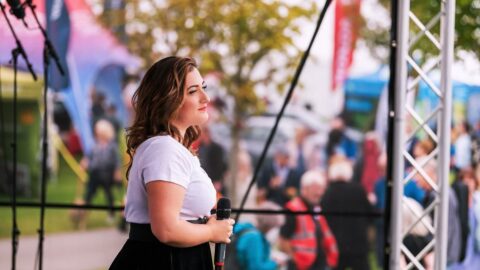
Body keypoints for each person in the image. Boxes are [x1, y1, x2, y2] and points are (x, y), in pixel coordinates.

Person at [110, 56, 234, 270]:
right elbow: (166, 229)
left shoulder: (172, 148)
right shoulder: (164, 149)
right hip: (164, 260)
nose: (206, 98)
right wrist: (212, 232)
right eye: (193, 91)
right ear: (168, 100)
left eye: (203, 88)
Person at [279, 170, 339, 270]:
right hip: (302, 265)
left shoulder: (315, 207)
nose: (319, 193)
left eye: (321, 189)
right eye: (316, 189)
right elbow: (283, 240)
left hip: (319, 264)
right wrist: (294, 260)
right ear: (305, 189)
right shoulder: (293, 209)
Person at [81, 119, 121, 221]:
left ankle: (111, 214)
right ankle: (83, 214)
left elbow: (117, 160)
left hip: (107, 173)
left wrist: (117, 172)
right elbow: (89, 156)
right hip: (94, 173)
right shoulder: (94, 144)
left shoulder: (112, 146)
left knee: (108, 194)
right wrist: (85, 162)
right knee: (89, 193)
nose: (97, 132)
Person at [232, 200, 286, 270]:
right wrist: (275, 263)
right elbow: (256, 267)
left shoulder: (248, 230)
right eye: (275, 226)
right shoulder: (254, 238)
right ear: (269, 225)